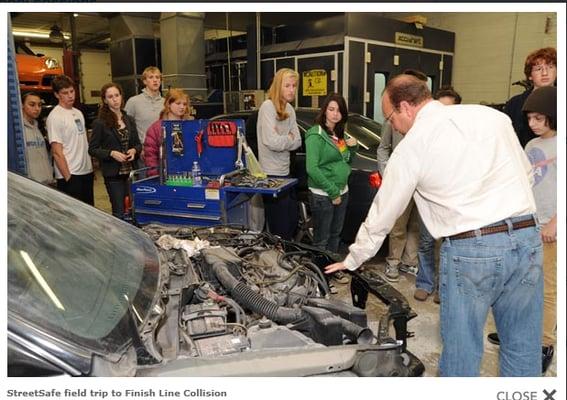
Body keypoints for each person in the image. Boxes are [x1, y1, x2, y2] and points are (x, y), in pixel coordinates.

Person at [326, 74, 542, 377]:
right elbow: (526, 174)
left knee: (462, 353)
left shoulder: (413, 145)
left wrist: (354, 258)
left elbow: (384, 211)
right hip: (526, 237)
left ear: (405, 107)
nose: (392, 126)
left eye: (390, 118)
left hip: (472, 249)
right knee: (523, 346)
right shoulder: (492, 117)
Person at [487, 86, 557, 374]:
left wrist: (555, 222)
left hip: (552, 226)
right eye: (530, 119)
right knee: (519, 283)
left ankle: (543, 343)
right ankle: (514, 332)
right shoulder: (530, 146)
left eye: (539, 118)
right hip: (529, 224)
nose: (532, 124)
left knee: (548, 288)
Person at [376, 69, 427, 282]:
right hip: (400, 182)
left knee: (416, 225)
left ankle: (410, 262)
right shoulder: (393, 120)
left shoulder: (426, 122)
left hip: (421, 183)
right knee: (398, 225)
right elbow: (382, 149)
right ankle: (393, 262)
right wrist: (388, 174)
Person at [413, 85, 462, 303]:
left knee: (448, 245)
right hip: (428, 197)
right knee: (425, 242)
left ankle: (444, 287)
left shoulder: (464, 136)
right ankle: (425, 282)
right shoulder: (424, 133)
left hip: (453, 199)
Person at [305, 93, 358, 284]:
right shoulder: (316, 135)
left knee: (335, 235)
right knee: (322, 239)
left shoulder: (339, 135)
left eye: (339, 110)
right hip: (323, 195)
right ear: (325, 110)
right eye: (331, 109)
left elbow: (346, 161)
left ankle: (331, 271)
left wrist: (352, 149)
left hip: (342, 192)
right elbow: (312, 168)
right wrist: (333, 192)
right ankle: (319, 279)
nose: (335, 114)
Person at [257, 68, 302, 239]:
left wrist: (282, 137)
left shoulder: (290, 109)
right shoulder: (267, 107)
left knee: (291, 222)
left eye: (294, 86)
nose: (292, 90)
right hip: (270, 176)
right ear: (278, 87)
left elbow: (297, 141)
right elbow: (271, 142)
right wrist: (287, 138)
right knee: (280, 228)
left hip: (286, 174)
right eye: (287, 86)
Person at [88, 83, 141, 219]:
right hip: (114, 175)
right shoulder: (100, 123)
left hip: (131, 173)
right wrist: (111, 153)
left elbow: (138, 144)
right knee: (119, 212)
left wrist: (134, 150)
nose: (115, 99)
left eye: (117, 95)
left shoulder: (129, 119)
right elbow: (93, 149)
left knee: (134, 210)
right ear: (105, 100)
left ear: (121, 97)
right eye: (110, 97)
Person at [46, 74, 94, 205]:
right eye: (65, 93)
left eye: (72, 91)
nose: (70, 95)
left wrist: (90, 168)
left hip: (86, 171)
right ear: (57, 95)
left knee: (90, 215)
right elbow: (56, 152)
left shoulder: (78, 113)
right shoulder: (55, 116)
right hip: (70, 174)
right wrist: (68, 178)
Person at [504, 47, 556, 148]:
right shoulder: (514, 104)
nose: (545, 73)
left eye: (550, 67)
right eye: (538, 69)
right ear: (530, 76)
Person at [143, 89, 193, 176]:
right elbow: (150, 155)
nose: (182, 107)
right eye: (178, 103)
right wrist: (155, 175)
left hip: (188, 174)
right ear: (168, 104)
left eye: (184, 104)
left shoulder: (190, 125)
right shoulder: (157, 127)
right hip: (163, 175)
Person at [124, 66, 163, 162]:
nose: (155, 80)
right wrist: (137, 149)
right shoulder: (134, 101)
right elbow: (127, 128)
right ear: (144, 81)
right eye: (151, 77)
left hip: (163, 151)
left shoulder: (165, 103)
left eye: (157, 77)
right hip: (144, 152)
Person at [21, 92, 54, 185]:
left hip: (46, 182)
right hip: (31, 184)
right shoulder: (19, 130)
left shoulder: (38, 127)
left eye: (39, 105)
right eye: (32, 105)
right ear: (22, 105)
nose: (37, 109)